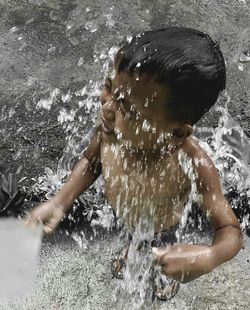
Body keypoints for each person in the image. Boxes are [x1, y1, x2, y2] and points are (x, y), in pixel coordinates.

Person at [27, 27, 243, 300]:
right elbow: (90, 163)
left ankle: (163, 264)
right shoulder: (110, 132)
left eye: (126, 109)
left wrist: (209, 256)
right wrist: (60, 201)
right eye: (109, 88)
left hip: (165, 224)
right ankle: (133, 247)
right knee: (133, 234)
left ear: (175, 132)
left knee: (164, 252)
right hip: (126, 215)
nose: (106, 109)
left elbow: (230, 231)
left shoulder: (193, 163)